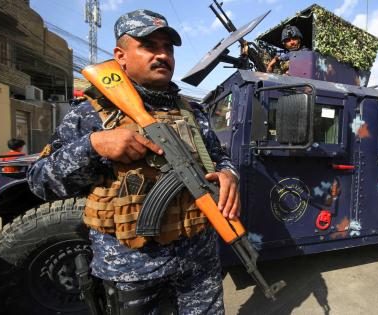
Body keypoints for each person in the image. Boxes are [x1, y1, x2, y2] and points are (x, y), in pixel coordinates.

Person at [27, 9, 240, 314]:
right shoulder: (90, 113)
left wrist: (229, 175)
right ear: (120, 55)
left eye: (167, 47)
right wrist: (93, 146)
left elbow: (220, 158)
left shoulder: (192, 111)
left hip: (199, 262)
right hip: (132, 271)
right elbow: (39, 181)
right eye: (150, 46)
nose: (162, 55)